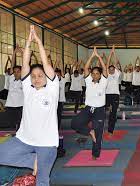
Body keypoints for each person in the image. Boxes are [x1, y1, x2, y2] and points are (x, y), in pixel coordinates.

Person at [0, 25, 59, 185]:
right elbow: (25, 62)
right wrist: (28, 42)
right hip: (24, 139)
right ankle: (33, 160)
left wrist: (38, 41)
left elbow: (45, 63)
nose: (37, 78)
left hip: (47, 143)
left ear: (47, 77)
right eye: (33, 76)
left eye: (40, 75)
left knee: (42, 179)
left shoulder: (52, 89)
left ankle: (38, 161)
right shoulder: (28, 88)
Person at [71, 47, 108, 160]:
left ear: (100, 75)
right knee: (74, 123)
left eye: (97, 73)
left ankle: (95, 154)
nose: (95, 75)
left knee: (98, 134)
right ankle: (89, 131)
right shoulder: (88, 81)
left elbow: (105, 68)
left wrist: (99, 58)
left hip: (99, 111)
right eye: (93, 73)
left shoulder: (104, 82)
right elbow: (86, 67)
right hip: (88, 109)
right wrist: (92, 56)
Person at [0, 45, 24, 129]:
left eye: (18, 71)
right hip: (10, 105)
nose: (16, 73)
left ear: (22, 72)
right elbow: (12, 63)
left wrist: (21, 53)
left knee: (21, 124)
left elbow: (25, 65)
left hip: (20, 106)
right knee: (11, 124)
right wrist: (14, 53)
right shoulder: (11, 78)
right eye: (15, 72)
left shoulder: (24, 80)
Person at [105, 46, 121, 136]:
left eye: (112, 69)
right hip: (107, 95)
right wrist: (109, 54)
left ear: (115, 70)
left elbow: (115, 63)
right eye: (110, 70)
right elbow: (107, 64)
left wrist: (113, 53)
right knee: (105, 111)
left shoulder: (117, 74)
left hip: (115, 95)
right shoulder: (107, 74)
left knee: (113, 113)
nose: (111, 71)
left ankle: (110, 131)